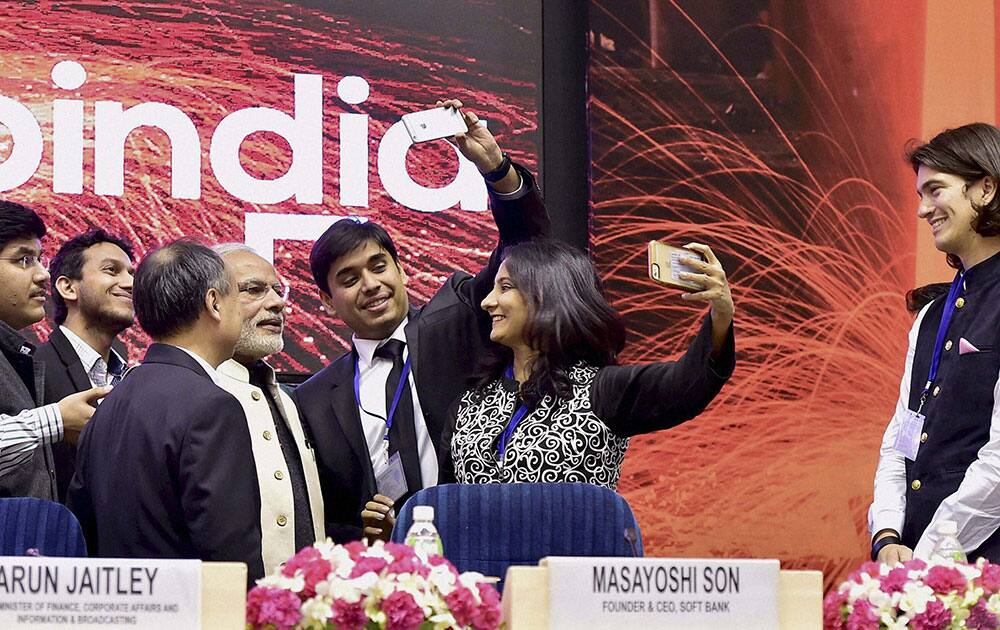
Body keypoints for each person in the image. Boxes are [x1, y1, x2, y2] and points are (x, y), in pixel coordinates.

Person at [294, 99, 549, 542]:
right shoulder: (313, 401)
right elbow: (317, 515)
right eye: (349, 278)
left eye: (378, 266)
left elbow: (526, 246)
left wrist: (495, 168)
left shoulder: (459, 316)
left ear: (400, 268)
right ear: (327, 299)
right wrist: (368, 530)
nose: (371, 285)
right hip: (388, 580)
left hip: (487, 544)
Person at [438, 239, 735, 488]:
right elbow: (447, 509)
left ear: (547, 295)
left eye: (505, 287)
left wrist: (721, 314)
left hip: (574, 557)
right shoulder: (469, 406)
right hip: (479, 560)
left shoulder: (601, 389)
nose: (487, 301)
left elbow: (687, 385)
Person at [68, 240, 265, 582]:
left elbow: (83, 527)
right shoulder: (213, 407)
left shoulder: (110, 403)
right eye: (237, 295)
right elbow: (230, 557)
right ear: (214, 303)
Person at [870, 123, 1000, 564]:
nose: (923, 210)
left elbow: (999, 463)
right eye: (920, 195)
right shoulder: (930, 316)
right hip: (916, 569)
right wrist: (887, 536)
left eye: (936, 190)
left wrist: (928, 557)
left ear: (985, 188)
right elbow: (898, 442)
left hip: (982, 571)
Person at [213, 243, 325, 574]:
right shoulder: (194, 396)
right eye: (254, 290)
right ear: (211, 302)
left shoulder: (289, 399)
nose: (277, 302)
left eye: (277, 290)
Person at [0, 201, 108, 497]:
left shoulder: (17, 354)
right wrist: (56, 419)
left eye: (39, 259)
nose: (42, 274)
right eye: (23, 260)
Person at [35, 229, 135, 502]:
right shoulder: (33, 369)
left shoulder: (134, 380)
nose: (129, 283)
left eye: (132, 273)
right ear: (68, 287)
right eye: (112, 271)